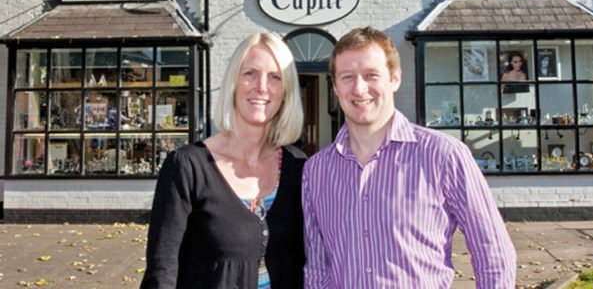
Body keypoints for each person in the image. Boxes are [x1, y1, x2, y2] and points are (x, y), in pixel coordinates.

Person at [302, 27, 516, 288]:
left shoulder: (443, 155)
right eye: (347, 77)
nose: (359, 88)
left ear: (395, 79)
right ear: (335, 86)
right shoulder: (316, 170)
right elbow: (317, 268)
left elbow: (493, 254)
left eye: (371, 75)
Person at [141, 33, 306, 289]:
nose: (261, 87)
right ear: (233, 83)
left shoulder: (298, 167)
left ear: (286, 91)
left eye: (275, 77)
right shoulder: (187, 167)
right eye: (250, 73)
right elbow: (162, 274)